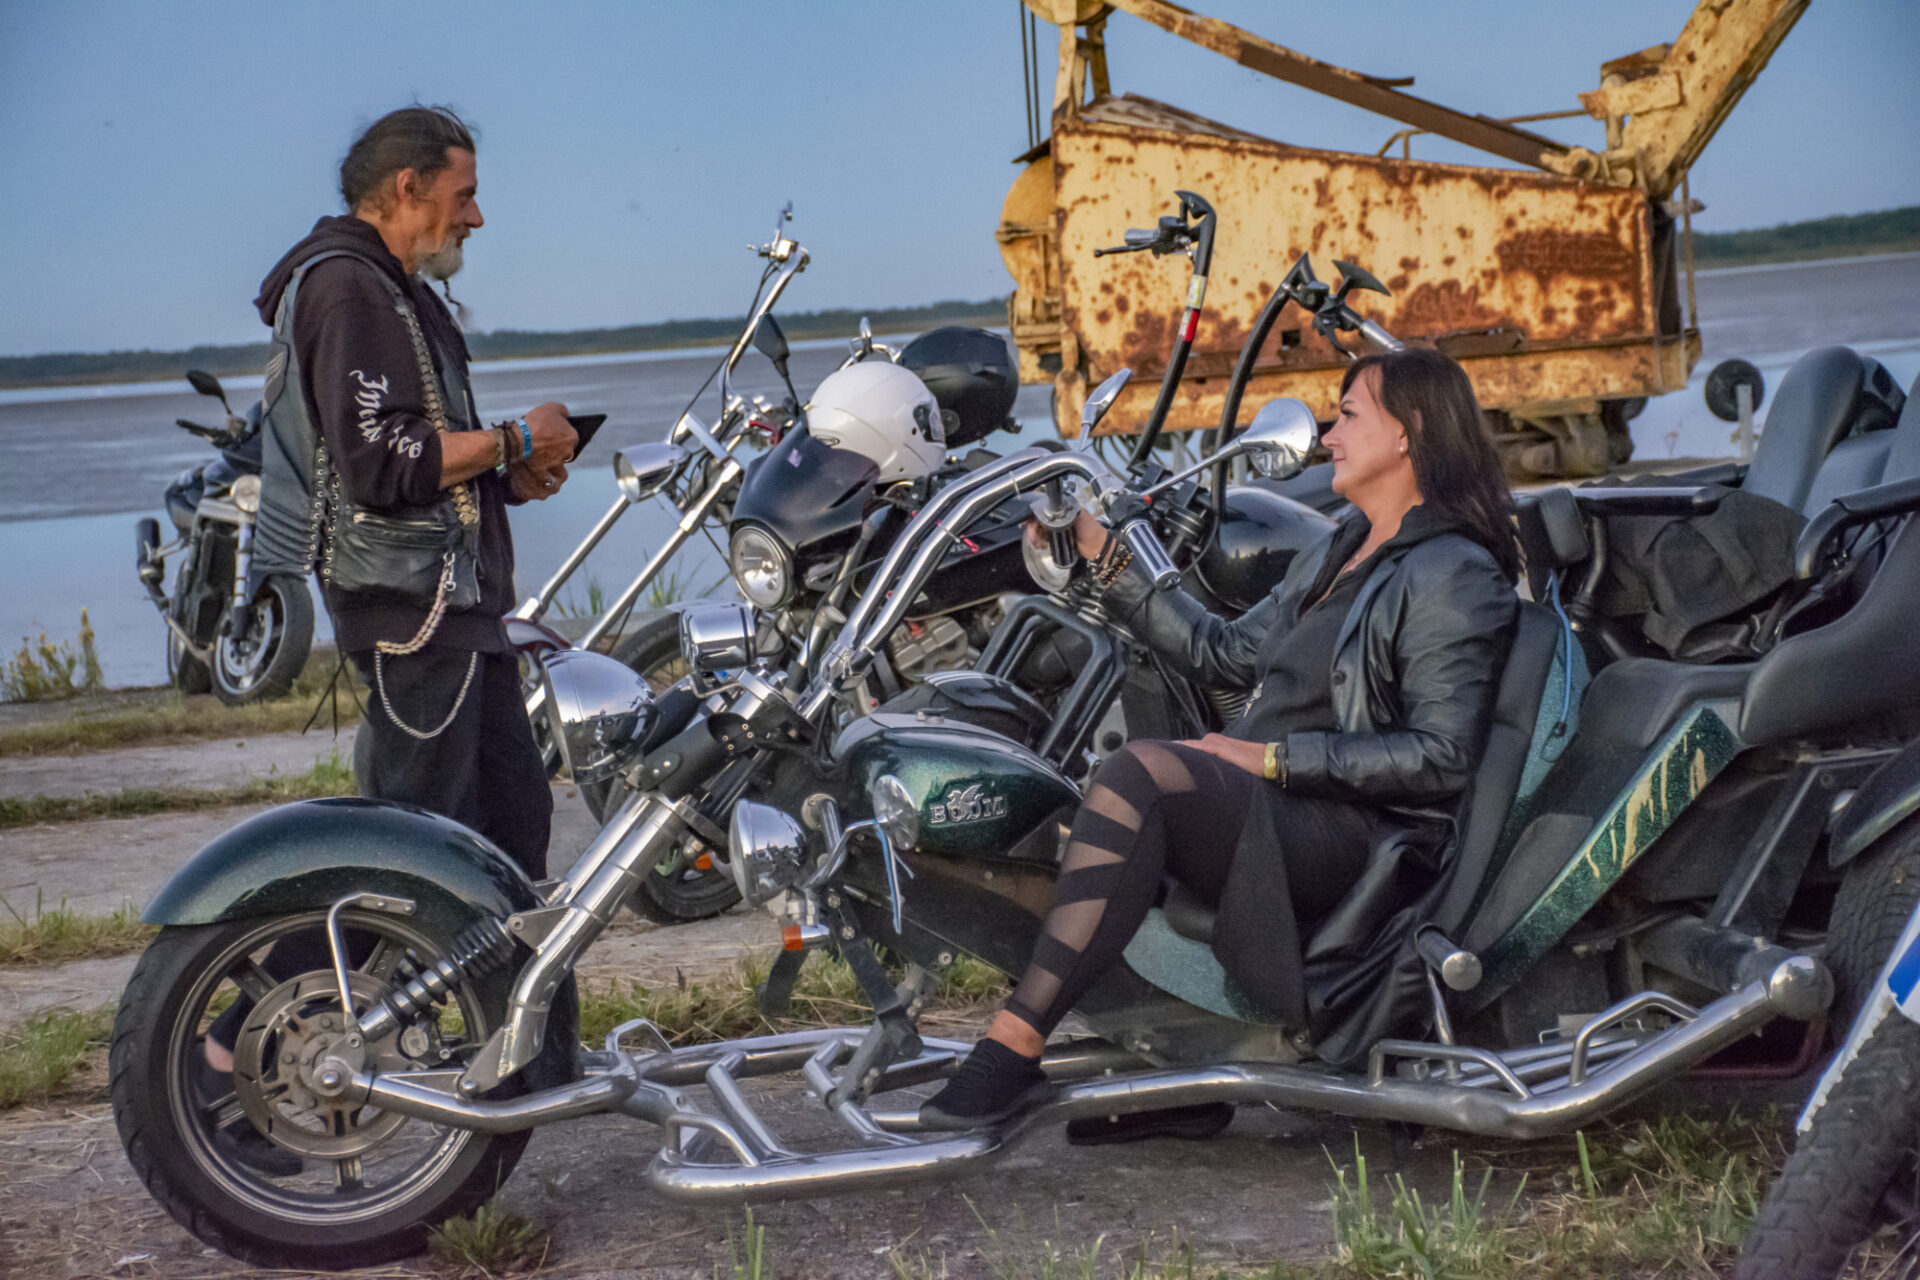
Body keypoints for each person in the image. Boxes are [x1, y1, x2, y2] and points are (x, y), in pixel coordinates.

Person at [920, 346, 1521, 1129]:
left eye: (1347, 416)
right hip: (1283, 805)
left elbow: (1440, 758)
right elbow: (1223, 650)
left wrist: (1267, 758)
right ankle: (1178, 1070)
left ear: (1407, 432)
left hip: (1358, 835)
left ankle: (1012, 1047)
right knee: (1114, 781)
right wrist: (1105, 556)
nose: (1329, 437)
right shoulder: (1343, 545)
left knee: (1141, 778)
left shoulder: (1451, 570)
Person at [200, 107, 575, 1168]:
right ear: (406, 187)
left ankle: (529, 1061)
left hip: (455, 609)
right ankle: (232, 1066)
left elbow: (417, 462)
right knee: (402, 855)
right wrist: (512, 435)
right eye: (464, 195)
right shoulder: (350, 288)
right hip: (416, 615)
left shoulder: (400, 292)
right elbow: (380, 464)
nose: (477, 217)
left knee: (509, 833)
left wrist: (511, 472)